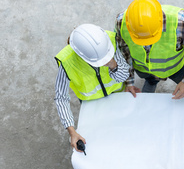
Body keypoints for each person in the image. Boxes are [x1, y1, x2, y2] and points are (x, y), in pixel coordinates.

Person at [55, 24, 129, 152]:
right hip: (91, 104)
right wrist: (72, 132)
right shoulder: (67, 62)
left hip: (117, 95)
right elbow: (61, 98)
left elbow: (123, 76)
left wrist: (113, 64)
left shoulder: (109, 42)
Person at [115, 0, 184, 99]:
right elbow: (124, 51)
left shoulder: (182, 22)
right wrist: (129, 81)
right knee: (150, 78)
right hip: (143, 68)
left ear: (160, 22)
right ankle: (152, 81)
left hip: (175, 68)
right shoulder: (122, 22)